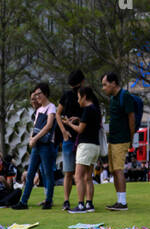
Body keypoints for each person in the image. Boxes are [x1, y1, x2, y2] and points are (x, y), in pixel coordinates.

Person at [14, 82, 57, 209]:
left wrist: (35, 138)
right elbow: (35, 127)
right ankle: (23, 201)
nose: (37, 96)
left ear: (45, 94)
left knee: (47, 173)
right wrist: (31, 139)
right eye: (36, 94)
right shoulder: (39, 110)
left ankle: (48, 200)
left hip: (45, 144)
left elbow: (48, 126)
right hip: (37, 144)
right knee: (30, 173)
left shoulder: (51, 107)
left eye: (39, 94)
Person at [62, 84, 102, 212]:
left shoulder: (87, 109)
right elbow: (89, 124)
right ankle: (89, 204)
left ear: (84, 97)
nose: (78, 100)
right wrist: (79, 119)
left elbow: (80, 129)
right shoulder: (95, 109)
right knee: (88, 177)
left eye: (79, 97)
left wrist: (68, 124)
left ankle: (80, 204)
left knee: (78, 176)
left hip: (85, 146)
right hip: (95, 146)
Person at [101, 70, 136, 210]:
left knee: (118, 169)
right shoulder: (113, 98)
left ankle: (123, 202)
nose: (103, 88)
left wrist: (131, 138)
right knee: (114, 170)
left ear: (113, 83)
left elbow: (131, 118)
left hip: (121, 139)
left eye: (105, 85)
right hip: (113, 138)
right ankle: (119, 200)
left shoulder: (124, 96)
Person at [55, 68, 84, 213]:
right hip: (73, 137)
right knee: (73, 172)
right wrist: (64, 131)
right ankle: (71, 201)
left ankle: (72, 201)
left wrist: (64, 131)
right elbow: (58, 114)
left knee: (71, 172)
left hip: (78, 137)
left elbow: (57, 114)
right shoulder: (69, 95)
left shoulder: (80, 95)